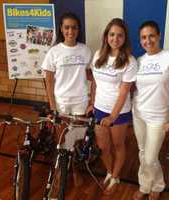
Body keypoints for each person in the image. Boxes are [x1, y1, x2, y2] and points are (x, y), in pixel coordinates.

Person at [41, 11, 92, 186]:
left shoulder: (85, 50)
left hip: (80, 101)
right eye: (67, 27)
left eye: (74, 27)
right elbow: (48, 80)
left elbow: (91, 75)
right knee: (62, 139)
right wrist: (52, 105)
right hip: (61, 102)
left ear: (78, 30)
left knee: (76, 139)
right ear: (61, 29)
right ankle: (62, 170)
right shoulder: (54, 52)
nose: (71, 31)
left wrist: (93, 99)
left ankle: (75, 168)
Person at [88, 18, 137, 195]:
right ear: (106, 36)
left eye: (120, 35)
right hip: (100, 108)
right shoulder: (98, 55)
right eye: (112, 34)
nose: (115, 38)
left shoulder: (129, 61)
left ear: (125, 38)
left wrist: (112, 117)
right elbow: (94, 82)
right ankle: (109, 171)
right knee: (103, 147)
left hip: (119, 113)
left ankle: (115, 176)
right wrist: (92, 102)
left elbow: (124, 93)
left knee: (118, 145)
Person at [132, 20, 169, 200]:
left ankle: (159, 184)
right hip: (138, 113)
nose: (148, 41)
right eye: (144, 38)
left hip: (159, 117)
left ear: (159, 35)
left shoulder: (168, 58)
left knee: (150, 157)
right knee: (142, 152)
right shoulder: (139, 61)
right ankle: (145, 185)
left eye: (151, 36)